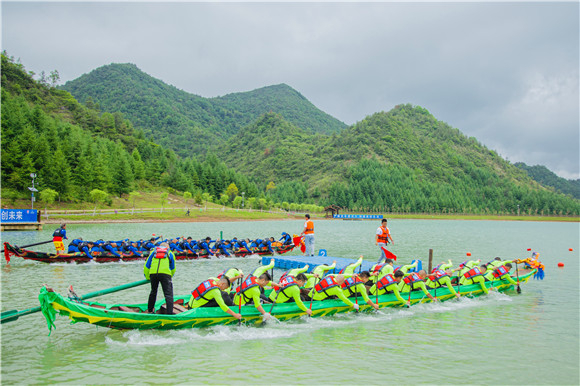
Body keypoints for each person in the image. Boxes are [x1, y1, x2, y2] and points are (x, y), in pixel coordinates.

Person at [144, 242, 176, 314]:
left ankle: (150, 310)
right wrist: (171, 275)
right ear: (167, 247)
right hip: (165, 274)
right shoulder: (170, 253)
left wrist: (147, 277)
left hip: (153, 274)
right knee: (168, 294)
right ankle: (169, 313)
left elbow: (146, 266)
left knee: (153, 292)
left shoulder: (153, 252)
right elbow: (173, 268)